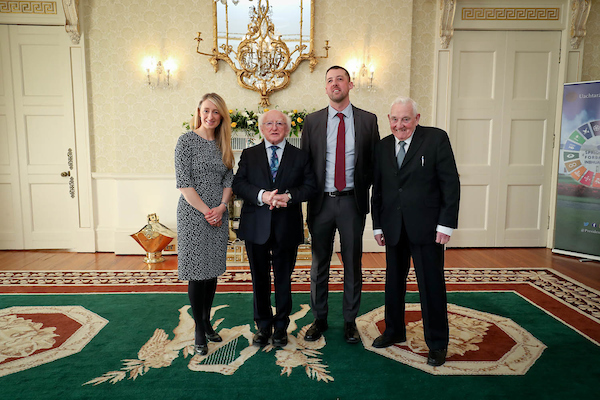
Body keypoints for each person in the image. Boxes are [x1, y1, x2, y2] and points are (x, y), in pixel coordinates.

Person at [371, 96, 460, 367]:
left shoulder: (435, 139)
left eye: (405, 119)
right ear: (389, 120)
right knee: (393, 283)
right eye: (395, 119)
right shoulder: (382, 146)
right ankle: (394, 330)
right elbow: (379, 189)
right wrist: (377, 225)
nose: (399, 125)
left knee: (431, 286)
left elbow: (450, 183)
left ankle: (437, 343)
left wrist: (446, 225)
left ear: (417, 119)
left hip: (427, 229)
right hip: (393, 227)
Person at [300, 66, 380, 344]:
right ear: (325, 88)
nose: (335, 84)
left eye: (340, 79)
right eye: (330, 80)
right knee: (319, 263)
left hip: (351, 203)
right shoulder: (312, 121)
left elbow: (374, 162)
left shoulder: (368, 120)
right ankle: (319, 318)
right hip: (321, 203)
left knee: (352, 263)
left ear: (350, 85)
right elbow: (306, 163)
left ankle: (349, 321)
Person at [233, 110, 317, 347]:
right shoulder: (249, 154)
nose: (274, 127)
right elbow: (238, 184)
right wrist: (263, 195)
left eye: (280, 123)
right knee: (259, 279)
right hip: (255, 227)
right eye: (269, 123)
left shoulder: (300, 156)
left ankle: (281, 327)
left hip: (286, 227)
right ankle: (263, 326)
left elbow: (310, 187)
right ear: (261, 128)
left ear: (288, 129)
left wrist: (288, 197)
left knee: (283, 279)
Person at [175, 93, 234, 356]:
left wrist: (221, 208)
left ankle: (207, 321)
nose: (210, 116)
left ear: (222, 116)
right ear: (198, 112)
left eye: (216, 112)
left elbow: (229, 179)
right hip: (193, 215)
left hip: (218, 214)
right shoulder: (186, 141)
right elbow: (183, 182)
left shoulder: (224, 143)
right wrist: (207, 211)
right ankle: (199, 329)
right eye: (206, 110)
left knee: (211, 272)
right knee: (197, 273)